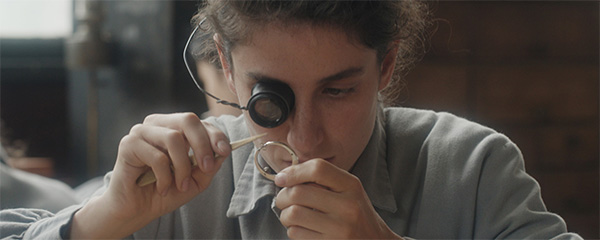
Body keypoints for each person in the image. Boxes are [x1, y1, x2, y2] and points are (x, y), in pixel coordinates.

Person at [0, 1, 582, 239]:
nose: (304, 137)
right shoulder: (180, 186)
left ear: (386, 66)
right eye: (270, 99)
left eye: (337, 91)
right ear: (225, 67)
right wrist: (103, 219)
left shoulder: (473, 169)